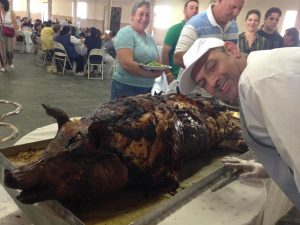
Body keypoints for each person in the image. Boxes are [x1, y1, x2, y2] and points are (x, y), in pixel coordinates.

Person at [178, 37, 300, 213]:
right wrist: (270, 167)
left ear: (232, 49)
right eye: (203, 82)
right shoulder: (256, 75)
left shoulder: (258, 80)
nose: (212, 82)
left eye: (212, 66)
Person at [111, 0, 162, 100]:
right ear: (133, 15)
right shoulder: (126, 33)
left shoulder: (150, 38)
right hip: (125, 88)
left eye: (147, 15)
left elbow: (158, 63)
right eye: (141, 14)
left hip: (146, 89)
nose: (144, 18)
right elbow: (127, 64)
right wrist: (150, 75)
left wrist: (159, 70)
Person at [174, 0, 245, 69]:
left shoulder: (234, 25)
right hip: (194, 80)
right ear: (219, 1)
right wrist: (208, 71)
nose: (236, 13)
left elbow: (235, 53)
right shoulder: (195, 24)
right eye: (233, 7)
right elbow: (178, 58)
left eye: (240, 8)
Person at [161, 0, 199, 83]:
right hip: (175, 78)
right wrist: (168, 74)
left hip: (193, 79)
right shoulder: (174, 30)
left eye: (196, 8)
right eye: (191, 8)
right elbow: (164, 53)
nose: (194, 10)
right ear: (184, 11)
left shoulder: (198, 31)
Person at [0, 0, 18, 72]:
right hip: (1, 31)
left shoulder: (10, 11)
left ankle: (10, 62)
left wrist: (16, 31)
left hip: (10, 31)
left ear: (4, 4)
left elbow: (15, 22)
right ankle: (3, 65)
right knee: (2, 50)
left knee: (9, 49)